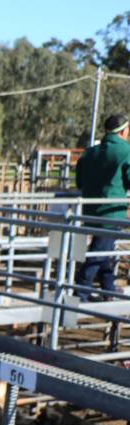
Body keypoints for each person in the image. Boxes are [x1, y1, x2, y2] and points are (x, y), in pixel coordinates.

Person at [75, 113, 130, 301]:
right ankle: (80, 294)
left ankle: (108, 288)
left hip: (90, 211)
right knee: (98, 253)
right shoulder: (126, 151)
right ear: (123, 131)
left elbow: (80, 182)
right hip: (111, 213)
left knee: (103, 250)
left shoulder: (90, 152)